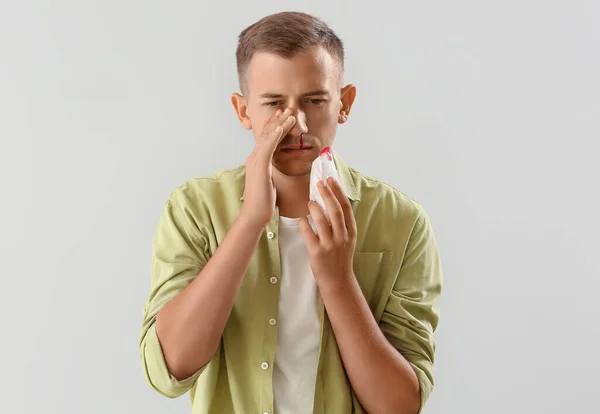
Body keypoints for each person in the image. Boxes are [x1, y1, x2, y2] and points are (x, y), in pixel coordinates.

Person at [139, 11, 442, 414]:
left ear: (344, 104)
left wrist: (337, 280)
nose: (296, 124)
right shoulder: (194, 209)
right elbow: (168, 371)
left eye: (314, 100)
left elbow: (399, 406)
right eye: (274, 104)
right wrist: (249, 223)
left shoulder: (401, 222)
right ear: (243, 110)